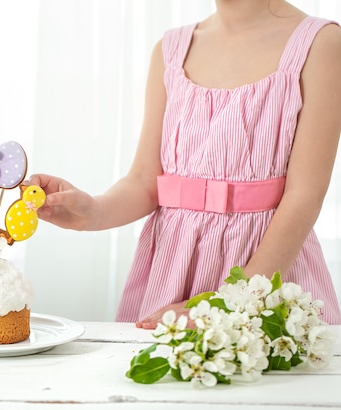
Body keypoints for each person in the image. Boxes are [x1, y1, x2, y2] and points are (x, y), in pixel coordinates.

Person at [29, 0, 341, 328]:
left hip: (263, 276)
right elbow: (146, 179)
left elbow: (304, 195)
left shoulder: (320, 45)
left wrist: (232, 302)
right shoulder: (170, 50)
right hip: (171, 269)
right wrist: (93, 212)